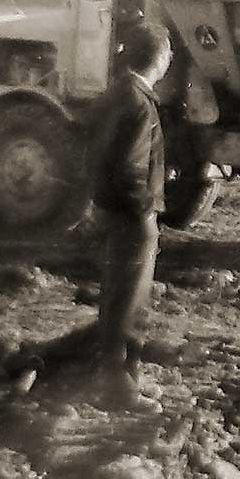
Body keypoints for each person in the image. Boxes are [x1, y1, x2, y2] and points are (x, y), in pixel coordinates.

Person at [87, 22, 173, 411]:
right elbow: (127, 166)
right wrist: (145, 209)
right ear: (158, 58)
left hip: (113, 211)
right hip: (132, 216)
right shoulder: (139, 100)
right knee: (130, 302)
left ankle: (118, 381)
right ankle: (120, 390)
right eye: (168, 52)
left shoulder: (119, 92)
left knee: (117, 296)